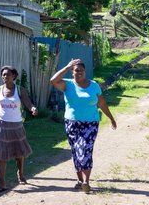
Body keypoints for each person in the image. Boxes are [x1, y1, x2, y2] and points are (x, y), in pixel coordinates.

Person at [50, 59, 117, 193]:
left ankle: (86, 181)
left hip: (91, 123)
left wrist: (111, 118)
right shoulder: (67, 85)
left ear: (85, 72)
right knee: (75, 151)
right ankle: (80, 180)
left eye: (81, 70)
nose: (78, 73)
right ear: (72, 72)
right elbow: (53, 80)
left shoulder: (94, 86)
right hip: (72, 123)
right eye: (75, 70)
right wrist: (67, 66)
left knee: (86, 149)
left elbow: (102, 104)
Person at [0, 65, 38, 193]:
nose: (5, 76)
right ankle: (2, 183)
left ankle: (20, 174)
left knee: (19, 152)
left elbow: (27, 102)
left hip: (16, 125)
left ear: (14, 76)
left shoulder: (20, 90)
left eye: (8, 74)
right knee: (1, 154)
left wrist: (32, 108)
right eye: (3, 75)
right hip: (0, 125)